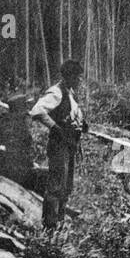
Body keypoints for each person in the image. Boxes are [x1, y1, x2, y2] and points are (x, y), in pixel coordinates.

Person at [30, 59, 88, 231]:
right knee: (56, 185)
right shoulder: (57, 92)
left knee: (66, 186)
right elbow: (37, 111)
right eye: (77, 77)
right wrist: (55, 127)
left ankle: (59, 222)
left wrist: (81, 124)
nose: (79, 81)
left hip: (69, 145)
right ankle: (49, 226)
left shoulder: (70, 94)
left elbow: (72, 116)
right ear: (69, 76)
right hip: (59, 145)